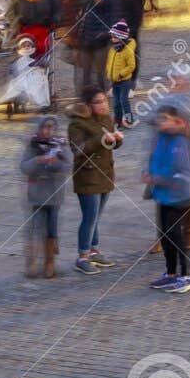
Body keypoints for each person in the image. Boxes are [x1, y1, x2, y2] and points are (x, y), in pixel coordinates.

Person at [143, 100, 190, 292]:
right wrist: (147, 172)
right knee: (165, 234)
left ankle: (186, 276)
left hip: (179, 194)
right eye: (160, 120)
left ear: (177, 121)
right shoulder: (160, 137)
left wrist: (158, 178)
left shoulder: (180, 140)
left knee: (176, 235)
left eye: (165, 120)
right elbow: (153, 158)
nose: (161, 123)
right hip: (163, 194)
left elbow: (178, 166)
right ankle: (171, 273)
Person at [68, 87, 122, 275]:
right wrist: (101, 139)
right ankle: (82, 257)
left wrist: (116, 139)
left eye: (105, 100)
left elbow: (110, 145)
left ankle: (94, 251)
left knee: (96, 217)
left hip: (105, 174)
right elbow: (78, 150)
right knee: (89, 218)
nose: (104, 105)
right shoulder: (77, 124)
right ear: (88, 105)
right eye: (98, 102)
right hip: (88, 177)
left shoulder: (106, 119)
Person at [19, 114, 71, 279]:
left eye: (50, 127)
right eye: (44, 127)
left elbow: (67, 166)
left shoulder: (60, 145)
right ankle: (31, 262)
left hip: (54, 194)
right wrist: (38, 160)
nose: (47, 131)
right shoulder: (32, 146)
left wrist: (54, 162)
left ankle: (50, 262)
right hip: (36, 194)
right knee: (34, 227)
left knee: (52, 229)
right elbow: (24, 167)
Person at [74, 0, 123, 100]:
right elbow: (82, 14)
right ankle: (85, 98)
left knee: (101, 72)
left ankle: (102, 97)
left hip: (101, 40)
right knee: (85, 71)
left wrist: (105, 34)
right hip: (85, 38)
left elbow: (115, 17)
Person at [106, 19, 137, 127]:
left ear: (121, 37)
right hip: (115, 80)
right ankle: (117, 120)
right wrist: (109, 72)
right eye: (112, 37)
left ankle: (129, 120)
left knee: (124, 101)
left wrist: (121, 74)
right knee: (116, 102)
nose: (112, 39)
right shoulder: (113, 49)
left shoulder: (128, 50)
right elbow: (110, 62)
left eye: (114, 37)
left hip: (124, 81)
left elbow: (131, 66)